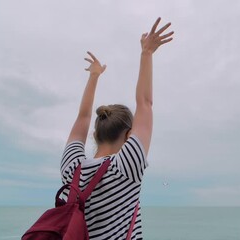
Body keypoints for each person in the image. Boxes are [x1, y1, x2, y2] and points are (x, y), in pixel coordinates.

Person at [60, 17, 174, 239]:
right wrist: (146, 53)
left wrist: (94, 76)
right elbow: (145, 103)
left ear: (95, 134)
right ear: (129, 135)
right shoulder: (126, 167)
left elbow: (82, 117)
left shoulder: (71, 168)